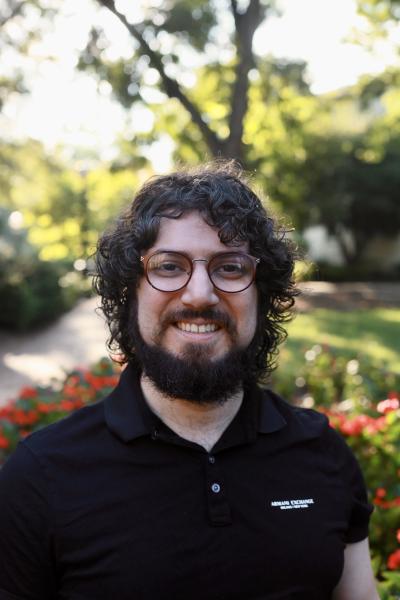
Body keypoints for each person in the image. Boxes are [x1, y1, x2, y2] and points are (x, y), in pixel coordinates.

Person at [0, 161, 379, 599]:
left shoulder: (323, 454)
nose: (200, 293)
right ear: (130, 294)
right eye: (168, 266)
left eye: (230, 267)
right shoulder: (41, 476)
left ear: (263, 296)